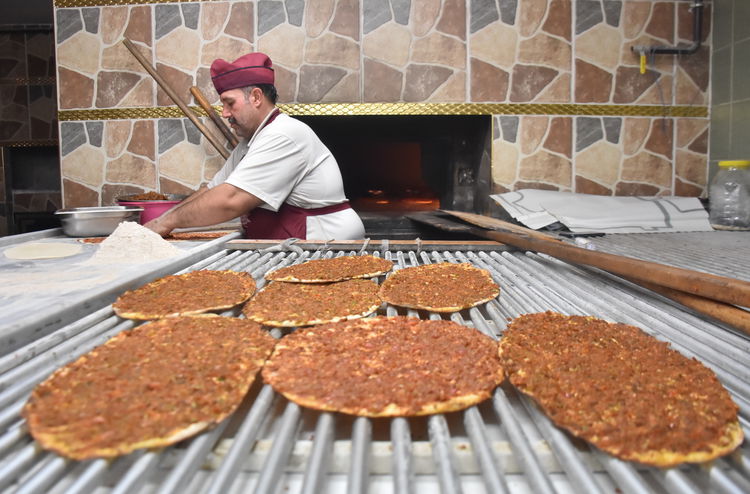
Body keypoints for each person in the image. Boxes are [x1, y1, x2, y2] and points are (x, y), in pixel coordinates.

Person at [144, 52, 365, 240]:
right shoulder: (250, 142)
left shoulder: (284, 134)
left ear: (256, 97)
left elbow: (230, 201)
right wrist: (162, 221)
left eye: (230, 103)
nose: (225, 113)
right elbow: (211, 190)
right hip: (293, 247)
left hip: (327, 247)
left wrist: (168, 222)